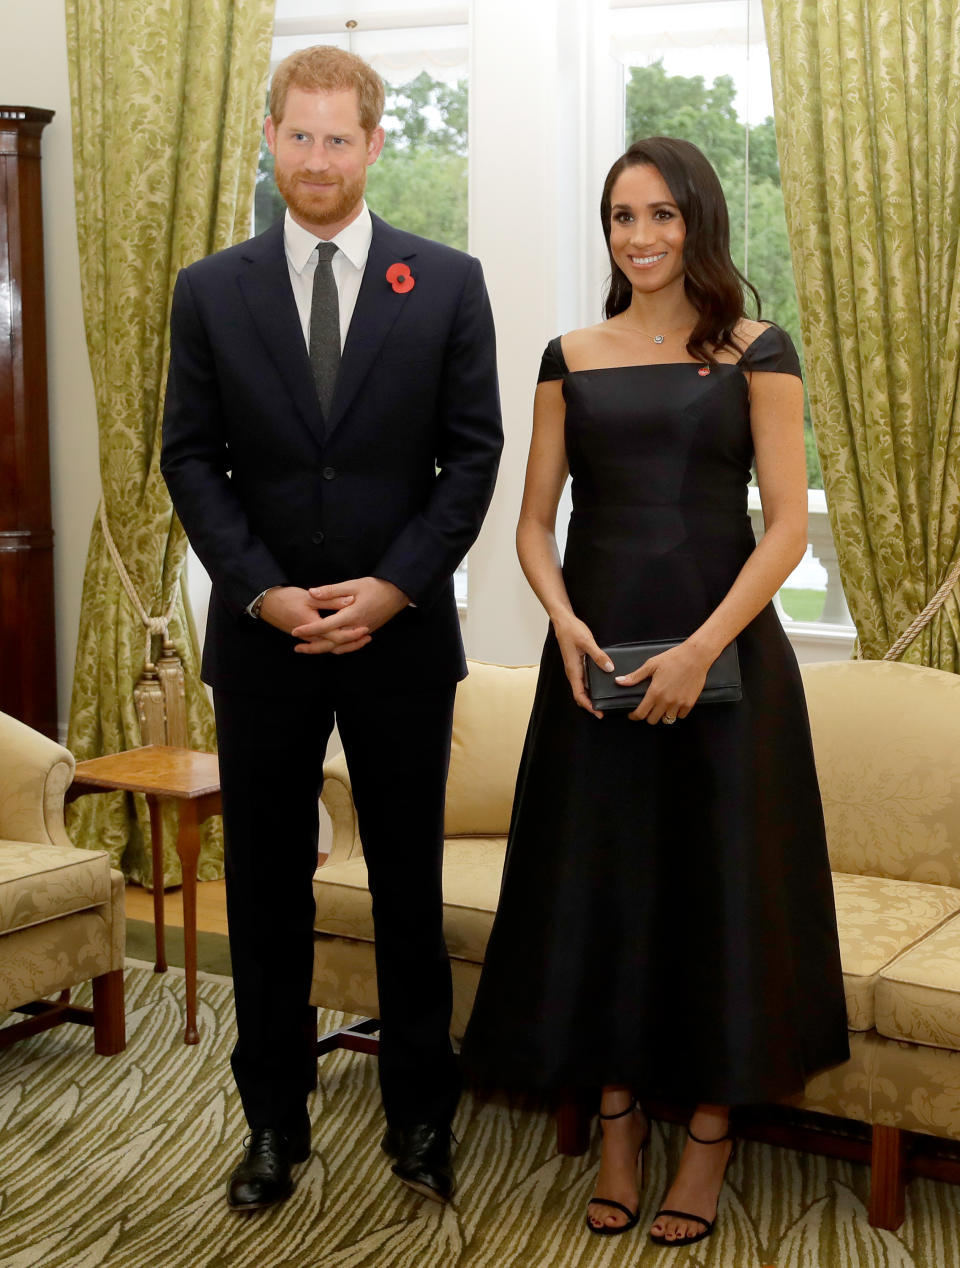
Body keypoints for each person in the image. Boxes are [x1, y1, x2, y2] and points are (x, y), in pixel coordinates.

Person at [461, 136, 849, 1247]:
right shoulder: (568, 353)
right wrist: (567, 625)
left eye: (663, 215)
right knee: (608, 895)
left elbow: (782, 528)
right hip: (596, 671)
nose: (641, 237)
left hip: (727, 668)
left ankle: (711, 1136)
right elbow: (535, 523)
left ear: (699, 222)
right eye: (623, 216)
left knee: (718, 899)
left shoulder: (755, 350)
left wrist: (696, 648)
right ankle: (621, 1124)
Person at [161, 46, 502, 1211]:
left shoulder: (446, 282)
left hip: (401, 640)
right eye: (297, 136)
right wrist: (260, 589)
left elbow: (475, 459)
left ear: (373, 143)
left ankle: (419, 1117)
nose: (317, 159)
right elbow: (188, 460)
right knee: (266, 892)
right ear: (269, 136)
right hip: (262, 642)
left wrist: (394, 586)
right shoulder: (209, 289)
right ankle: (272, 1124)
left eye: (338, 138)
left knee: (407, 885)